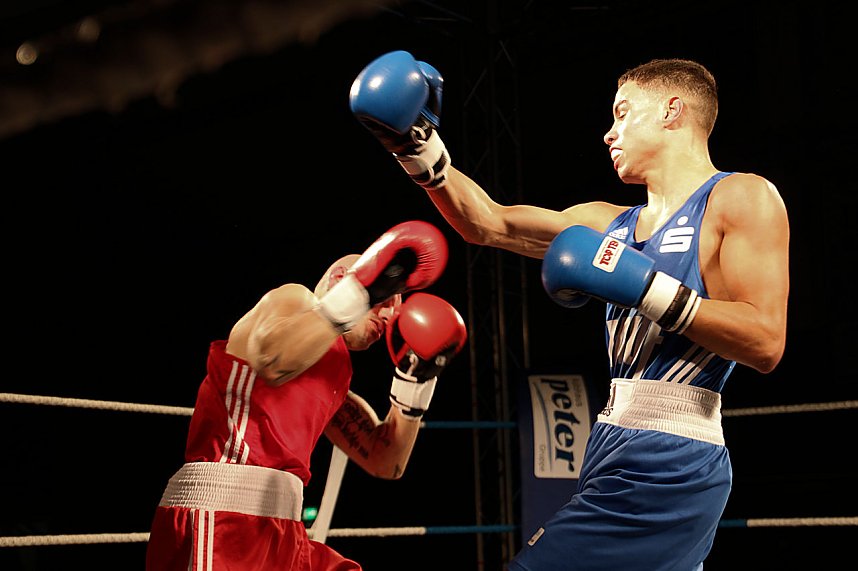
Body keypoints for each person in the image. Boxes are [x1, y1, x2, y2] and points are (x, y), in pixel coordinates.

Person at [349, 51, 789, 570]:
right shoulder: (607, 224)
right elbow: (491, 224)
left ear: (672, 111)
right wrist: (419, 149)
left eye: (622, 113)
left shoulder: (741, 197)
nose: (608, 132)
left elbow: (765, 341)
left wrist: (645, 288)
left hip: (672, 454)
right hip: (611, 442)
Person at [145, 219, 468, 571]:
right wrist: (358, 293)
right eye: (385, 298)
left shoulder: (334, 379)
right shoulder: (293, 299)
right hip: (225, 515)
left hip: (283, 527)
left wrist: (415, 384)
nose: (391, 315)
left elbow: (385, 461)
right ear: (342, 279)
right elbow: (274, 361)